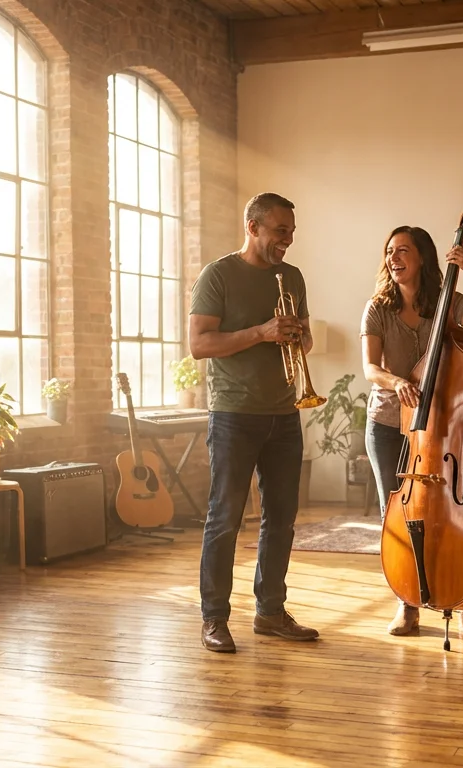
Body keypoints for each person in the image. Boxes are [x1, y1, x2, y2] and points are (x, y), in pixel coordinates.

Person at [189, 192, 320, 654]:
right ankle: (214, 619)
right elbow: (200, 344)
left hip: (284, 413)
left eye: (291, 231)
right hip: (233, 415)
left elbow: (303, 342)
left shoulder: (293, 276)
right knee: (224, 518)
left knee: (282, 519)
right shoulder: (218, 275)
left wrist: (299, 335)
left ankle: (269, 611)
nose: (288, 239)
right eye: (279, 231)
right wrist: (260, 332)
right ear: (253, 227)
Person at [360, 226, 463, 639]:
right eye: (389, 251)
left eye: (403, 250)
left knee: (459, 517)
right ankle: (406, 602)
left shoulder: (447, 302)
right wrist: (396, 381)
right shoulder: (377, 308)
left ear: (422, 257)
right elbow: (370, 368)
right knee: (399, 517)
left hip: (443, 431)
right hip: (390, 425)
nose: (393, 257)